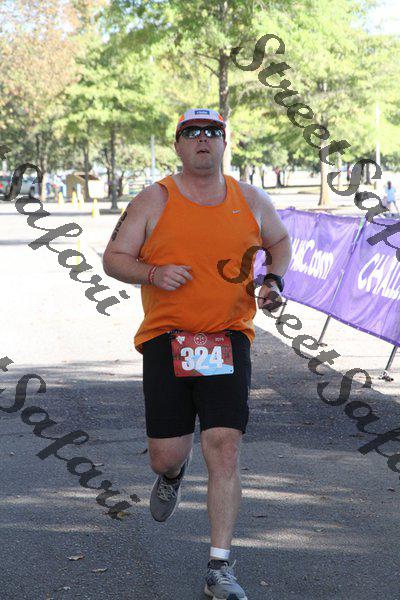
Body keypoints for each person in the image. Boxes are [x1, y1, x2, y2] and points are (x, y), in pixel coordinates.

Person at [102, 107, 292, 599]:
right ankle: (172, 472)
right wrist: (152, 273)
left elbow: (279, 241)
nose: (202, 139)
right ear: (178, 144)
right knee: (165, 454)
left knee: (224, 446)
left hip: (228, 338)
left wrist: (272, 281)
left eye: (212, 132)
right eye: (192, 132)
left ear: (224, 142)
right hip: (167, 339)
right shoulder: (154, 199)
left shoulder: (250, 198)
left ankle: (219, 566)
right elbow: (114, 258)